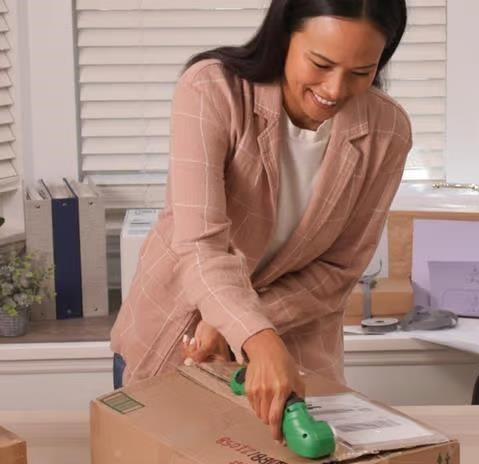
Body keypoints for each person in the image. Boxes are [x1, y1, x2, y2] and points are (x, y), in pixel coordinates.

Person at [111, 0, 412, 440]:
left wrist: (244, 328)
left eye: (361, 72)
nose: (335, 89)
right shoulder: (212, 89)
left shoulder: (387, 132)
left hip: (296, 356)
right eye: (320, 64)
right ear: (285, 33)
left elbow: (338, 270)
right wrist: (252, 333)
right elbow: (200, 245)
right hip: (176, 338)